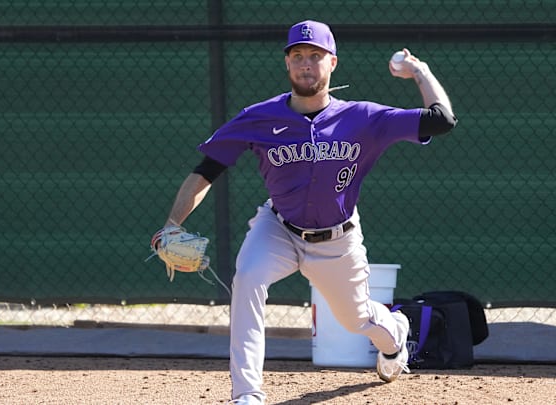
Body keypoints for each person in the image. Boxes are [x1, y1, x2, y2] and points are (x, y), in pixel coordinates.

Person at [155, 20, 457, 405]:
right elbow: (206, 170)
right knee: (247, 277)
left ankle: (396, 333)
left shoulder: (364, 118)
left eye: (315, 55)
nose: (305, 64)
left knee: (357, 319)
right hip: (278, 227)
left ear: (333, 63)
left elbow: (441, 119)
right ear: (287, 65)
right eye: (297, 55)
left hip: (338, 238)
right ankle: (246, 394)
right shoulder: (259, 117)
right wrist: (172, 222)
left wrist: (420, 71)